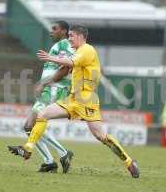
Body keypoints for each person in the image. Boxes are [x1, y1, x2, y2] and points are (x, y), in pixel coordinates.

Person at [8, 25, 140, 178]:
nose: (69, 38)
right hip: (73, 98)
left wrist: (51, 58)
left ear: (80, 36)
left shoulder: (87, 50)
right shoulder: (79, 51)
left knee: (101, 136)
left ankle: (129, 162)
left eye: (71, 35)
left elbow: (71, 63)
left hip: (86, 100)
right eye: (68, 35)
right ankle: (28, 148)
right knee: (43, 114)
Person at [26, 21, 75, 173]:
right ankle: (50, 161)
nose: (51, 31)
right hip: (50, 88)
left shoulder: (65, 45)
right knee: (29, 127)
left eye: (55, 29)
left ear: (65, 31)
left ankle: (62, 154)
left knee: (30, 125)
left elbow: (66, 68)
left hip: (56, 89)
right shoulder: (57, 46)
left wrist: (45, 83)